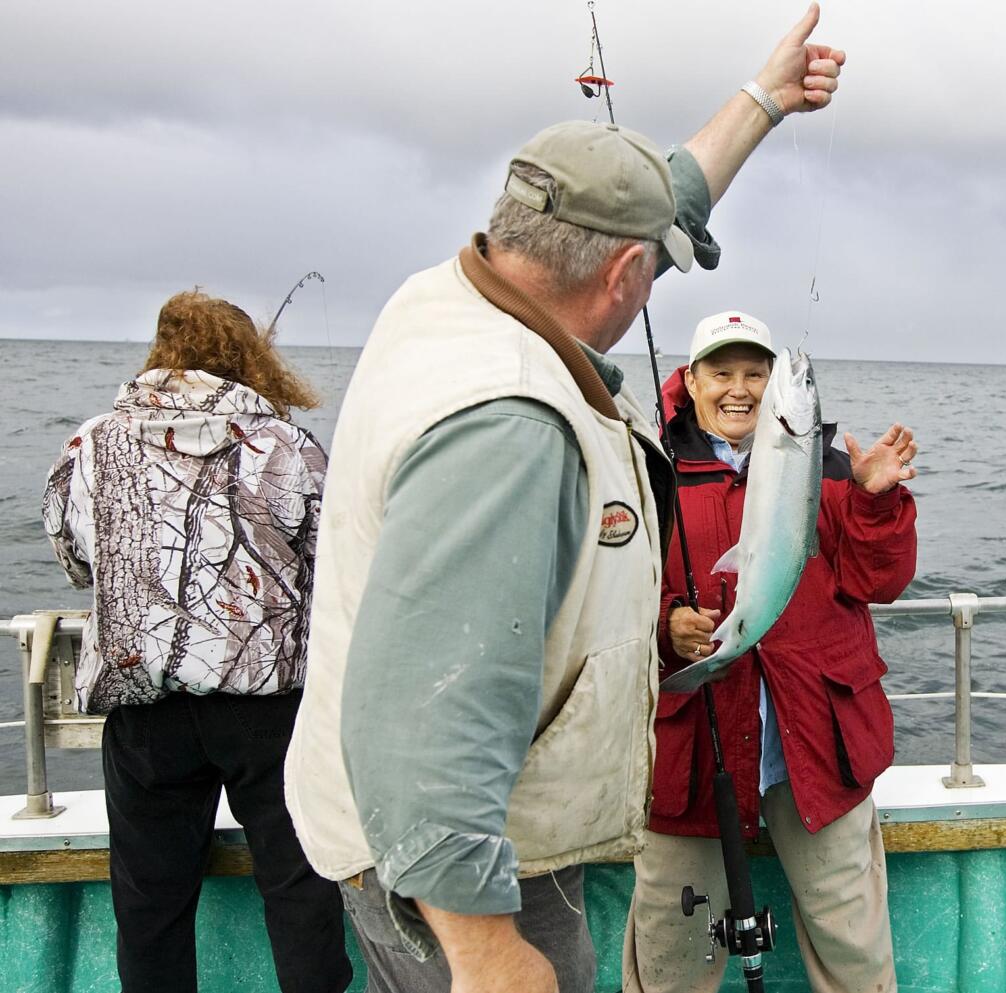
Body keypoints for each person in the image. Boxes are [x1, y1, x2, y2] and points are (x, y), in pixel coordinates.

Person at [283, 6, 846, 992]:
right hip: (460, 868)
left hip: (392, 837)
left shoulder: (439, 297)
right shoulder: (509, 425)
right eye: (655, 265)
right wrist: (485, 945)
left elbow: (656, 196)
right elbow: (425, 705)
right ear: (625, 271)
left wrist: (765, 101)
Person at [42, 291, 351, 993]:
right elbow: (330, 562)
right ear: (249, 358)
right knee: (300, 891)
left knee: (150, 909)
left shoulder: (89, 443)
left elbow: (76, 556)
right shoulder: (285, 446)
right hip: (267, 708)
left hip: (144, 703)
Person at [620, 311, 917, 993]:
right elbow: (609, 590)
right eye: (721, 372)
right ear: (689, 381)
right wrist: (668, 626)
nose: (740, 389)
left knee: (856, 958)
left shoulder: (833, 470)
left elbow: (884, 580)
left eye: (758, 373)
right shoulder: (650, 470)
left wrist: (876, 501)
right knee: (672, 960)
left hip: (816, 749)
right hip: (694, 754)